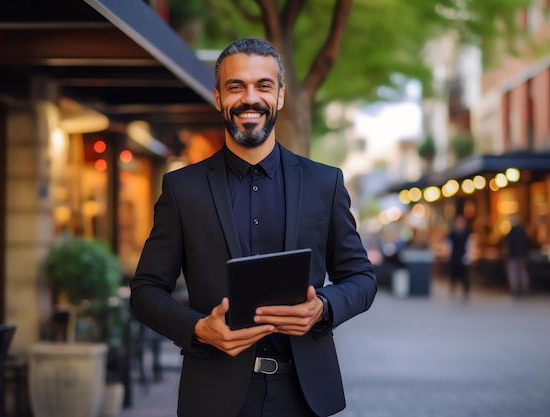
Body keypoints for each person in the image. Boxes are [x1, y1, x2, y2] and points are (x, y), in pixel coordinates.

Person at [129, 37, 377, 417]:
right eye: (235, 87)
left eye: (263, 86)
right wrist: (198, 329)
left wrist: (324, 307)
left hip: (305, 395)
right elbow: (145, 291)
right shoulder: (182, 189)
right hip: (214, 395)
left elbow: (361, 276)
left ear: (279, 96)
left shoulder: (324, 183)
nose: (250, 98)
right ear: (217, 98)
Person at [504, 214, 529, 297]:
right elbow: (527, 242)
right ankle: (524, 288)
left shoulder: (512, 231)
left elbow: (506, 241)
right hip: (522, 254)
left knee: (513, 272)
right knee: (522, 271)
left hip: (513, 255)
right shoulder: (522, 230)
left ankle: (515, 289)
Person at [446, 215, 471, 298]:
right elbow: (448, 245)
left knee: (465, 276)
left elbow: (470, 245)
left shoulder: (467, 234)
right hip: (454, 257)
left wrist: (469, 255)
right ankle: (453, 290)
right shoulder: (452, 234)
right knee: (453, 275)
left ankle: (465, 291)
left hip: (464, 257)